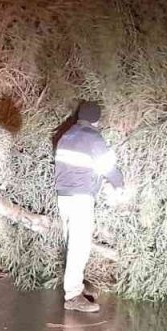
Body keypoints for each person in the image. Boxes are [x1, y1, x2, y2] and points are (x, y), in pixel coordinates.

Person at [54, 101, 127, 312]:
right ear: (96, 119)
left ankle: (75, 284)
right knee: (80, 246)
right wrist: (119, 184)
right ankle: (73, 296)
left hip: (64, 196)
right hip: (80, 198)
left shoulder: (66, 135)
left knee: (73, 243)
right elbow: (108, 168)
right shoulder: (93, 138)